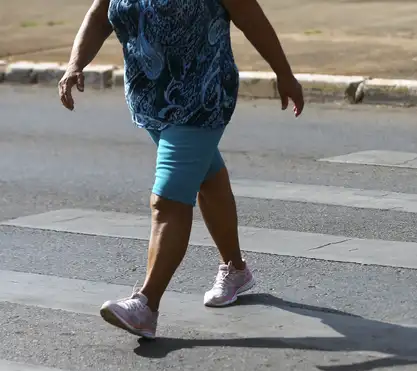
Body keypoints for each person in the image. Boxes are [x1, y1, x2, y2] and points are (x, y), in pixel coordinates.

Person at [58, 0, 304, 340]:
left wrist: (285, 74)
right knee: (208, 177)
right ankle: (236, 270)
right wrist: (75, 64)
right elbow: (101, 16)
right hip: (151, 98)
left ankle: (146, 304)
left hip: (202, 97)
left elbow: (250, 17)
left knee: (168, 200)